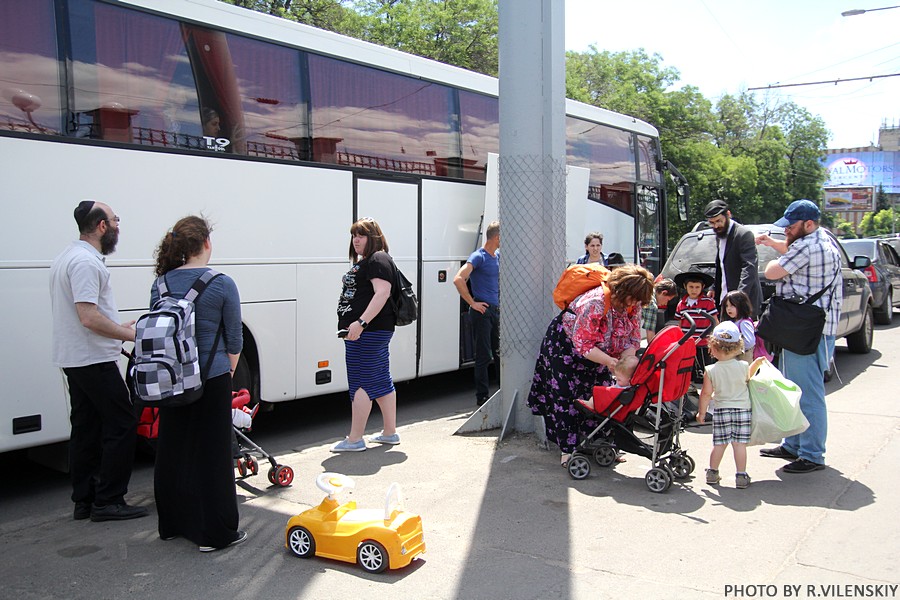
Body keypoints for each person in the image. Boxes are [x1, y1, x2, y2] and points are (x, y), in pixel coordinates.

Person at [151, 215, 247, 551]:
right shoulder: (221, 283)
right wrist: (228, 370)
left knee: (173, 449)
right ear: (206, 243)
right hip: (211, 376)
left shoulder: (161, 284)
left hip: (171, 378)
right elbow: (234, 338)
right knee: (213, 454)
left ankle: (171, 525)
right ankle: (214, 534)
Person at [49, 200, 148, 522]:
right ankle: (109, 500)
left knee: (86, 428)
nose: (118, 226)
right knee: (122, 423)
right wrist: (128, 334)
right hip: (93, 359)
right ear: (102, 226)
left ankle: (85, 500)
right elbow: (88, 317)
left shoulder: (67, 256)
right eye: (115, 220)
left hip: (76, 357)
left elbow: (86, 315)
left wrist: (117, 328)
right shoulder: (85, 263)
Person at [526, 264, 653, 466]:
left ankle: (603, 444)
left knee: (605, 395)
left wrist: (625, 362)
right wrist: (610, 361)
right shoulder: (595, 302)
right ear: (622, 291)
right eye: (634, 298)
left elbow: (633, 338)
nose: (635, 304)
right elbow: (583, 344)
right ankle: (568, 450)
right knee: (566, 397)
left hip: (600, 352)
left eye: (639, 300)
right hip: (566, 349)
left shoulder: (632, 303)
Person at [755, 199, 841, 474]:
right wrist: (775, 244)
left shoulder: (807, 246)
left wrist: (773, 256)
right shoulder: (822, 239)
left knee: (808, 394)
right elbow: (792, 253)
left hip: (807, 331)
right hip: (810, 327)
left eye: (791, 227)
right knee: (793, 389)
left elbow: (772, 272)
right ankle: (793, 445)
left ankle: (812, 454)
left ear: (809, 224)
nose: (787, 231)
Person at [332, 217, 400, 452]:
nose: (356, 240)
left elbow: (382, 293)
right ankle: (389, 432)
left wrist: (361, 323)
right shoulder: (374, 260)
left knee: (360, 382)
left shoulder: (377, 259)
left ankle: (355, 439)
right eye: (354, 235)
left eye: (361, 235)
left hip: (368, 332)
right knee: (381, 380)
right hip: (373, 330)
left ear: (373, 237)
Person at [697, 321, 752, 489]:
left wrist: (701, 413)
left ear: (713, 347)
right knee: (739, 445)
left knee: (719, 444)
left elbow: (706, 394)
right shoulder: (744, 366)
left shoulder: (711, 370)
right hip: (742, 410)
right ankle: (741, 475)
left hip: (722, 410)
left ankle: (712, 472)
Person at [453, 221, 500, 406]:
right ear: (497, 237)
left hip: (495, 311)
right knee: (483, 355)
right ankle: (482, 397)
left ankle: (502, 393)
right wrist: (472, 302)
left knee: (499, 353)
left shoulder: (497, 256)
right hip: (482, 312)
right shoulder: (478, 256)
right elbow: (458, 279)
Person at [704, 200, 763, 317]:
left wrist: (739, 297)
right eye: (712, 223)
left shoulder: (743, 234)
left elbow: (749, 267)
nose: (716, 226)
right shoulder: (719, 235)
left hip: (744, 303)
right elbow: (721, 264)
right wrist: (714, 287)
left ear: (728, 214)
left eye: (719, 221)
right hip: (725, 301)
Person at [674, 271, 718, 381]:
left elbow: (715, 321)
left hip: (703, 341)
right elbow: (680, 323)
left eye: (697, 287)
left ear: (702, 287)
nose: (694, 290)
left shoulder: (708, 302)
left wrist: (715, 338)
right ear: (685, 286)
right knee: (689, 365)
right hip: (688, 341)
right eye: (691, 287)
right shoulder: (681, 304)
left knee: (705, 365)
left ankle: (707, 384)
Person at [575, 354, 640, 412]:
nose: (617, 381)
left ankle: (590, 404)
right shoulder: (628, 386)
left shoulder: (626, 389)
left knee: (599, 394)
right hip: (614, 401)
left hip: (612, 404)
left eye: (619, 380)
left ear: (629, 380)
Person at [720, 290, 756, 363]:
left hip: (743, 360)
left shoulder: (744, 323)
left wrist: (733, 347)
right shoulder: (734, 322)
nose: (728, 308)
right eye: (726, 306)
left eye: (732, 305)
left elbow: (750, 342)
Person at [640, 278, 678, 343]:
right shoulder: (652, 305)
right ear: (664, 293)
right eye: (667, 300)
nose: (666, 304)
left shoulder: (648, 291)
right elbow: (650, 333)